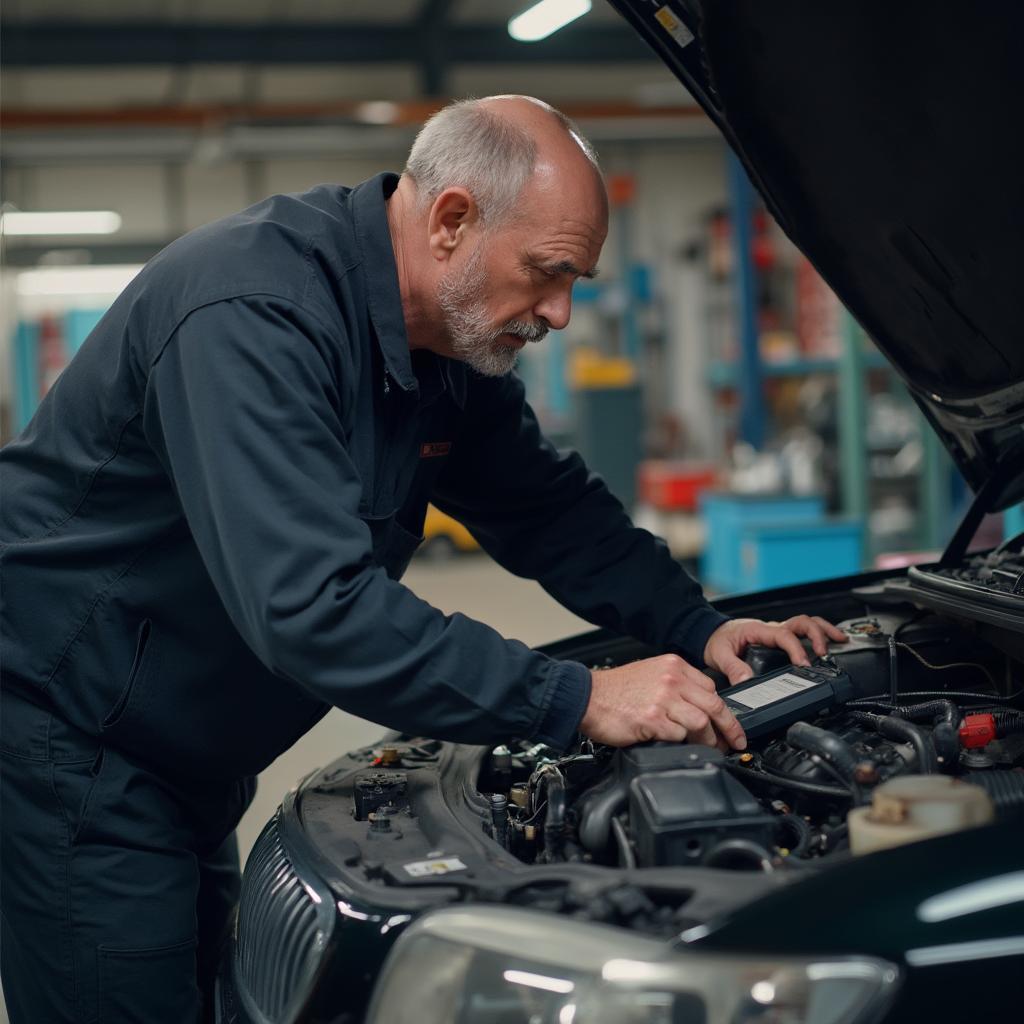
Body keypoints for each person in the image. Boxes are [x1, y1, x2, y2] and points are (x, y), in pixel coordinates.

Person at [0, 95, 845, 1022]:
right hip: (74, 747)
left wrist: (700, 625)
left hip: (184, 745)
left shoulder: (447, 341)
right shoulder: (252, 313)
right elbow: (313, 609)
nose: (560, 312)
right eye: (549, 273)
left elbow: (546, 506)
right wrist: (582, 698)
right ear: (451, 221)